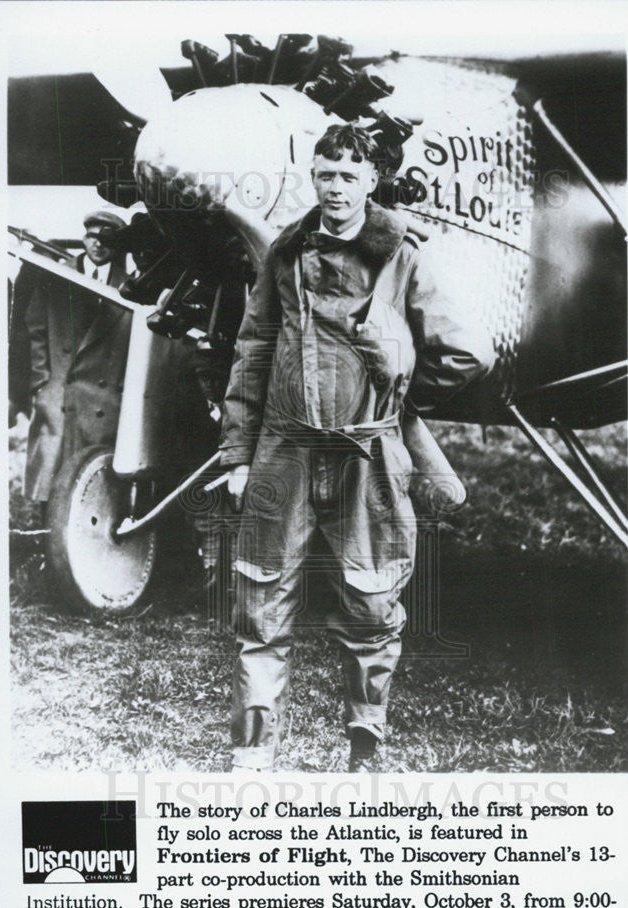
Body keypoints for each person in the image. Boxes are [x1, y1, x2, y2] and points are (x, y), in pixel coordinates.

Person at [219, 124, 494, 772]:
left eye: (349, 174)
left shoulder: (402, 256)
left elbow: (467, 354)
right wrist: (238, 455)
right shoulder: (285, 253)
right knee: (259, 606)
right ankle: (251, 762)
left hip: (367, 458)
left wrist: (394, 399)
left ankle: (364, 752)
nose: (335, 187)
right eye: (325, 173)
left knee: (372, 608)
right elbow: (254, 350)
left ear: (372, 179)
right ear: (312, 177)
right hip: (283, 454)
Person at [21, 210, 131, 505]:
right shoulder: (56, 276)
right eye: (92, 236)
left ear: (117, 246)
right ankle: (44, 529)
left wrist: (120, 389)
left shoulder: (131, 288)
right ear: (84, 238)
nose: (98, 244)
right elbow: (35, 327)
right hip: (58, 392)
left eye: (106, 239)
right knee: (50, 476)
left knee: (92, 484)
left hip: (103, 401)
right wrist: (41, 381)